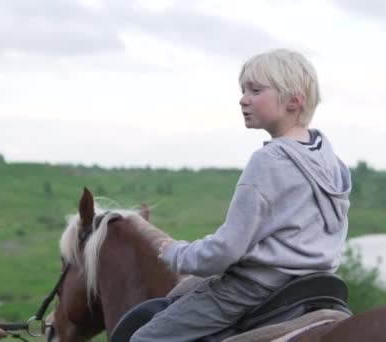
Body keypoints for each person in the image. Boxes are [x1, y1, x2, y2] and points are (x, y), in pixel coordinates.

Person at [131, 48, 352, 342]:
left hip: (254, 288)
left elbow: (226, 251)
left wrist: (177, 253)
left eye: (256, 90)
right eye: (243, 89)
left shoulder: (269, 161)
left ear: (294, 100)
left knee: (143, 339)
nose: (243, 98)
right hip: (319, 286)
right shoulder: (332, 162)